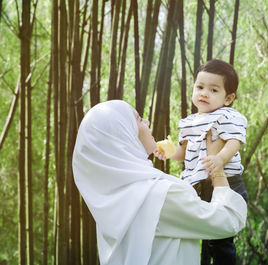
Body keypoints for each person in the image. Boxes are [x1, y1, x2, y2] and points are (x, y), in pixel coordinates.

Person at [72, 100, 247, 265]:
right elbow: (228, 221)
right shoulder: (159, 196)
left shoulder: (112, 200)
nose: (147, 121)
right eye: (139, 119)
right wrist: (217, 166)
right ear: (125, 135)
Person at [154, 59, 248, 265]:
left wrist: (219, 159)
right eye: (200, 87)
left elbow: (235, 141)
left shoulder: (227, 115)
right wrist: (169, 153)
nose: (204, 93)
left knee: (221, 239)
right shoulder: (189, 122)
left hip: (228, 184)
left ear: (229, 98)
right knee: (203, 238)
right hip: (198, 187)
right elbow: (184, 153)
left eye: (214, 90)